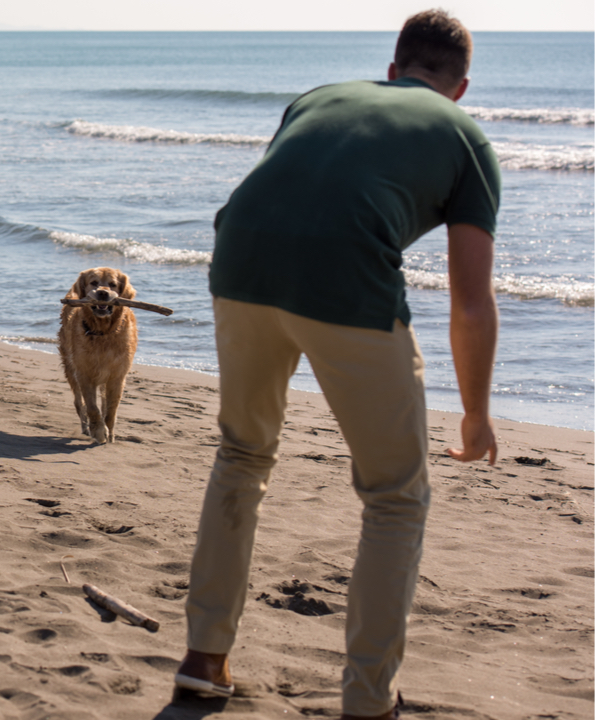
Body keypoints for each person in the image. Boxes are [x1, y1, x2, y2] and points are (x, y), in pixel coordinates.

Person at [174, 9, 501, 720]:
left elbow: (290, 194)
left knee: (242, 452)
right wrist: (475, 416)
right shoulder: (465, 135)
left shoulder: (317, 98)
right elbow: (471, 304)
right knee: (394, 497)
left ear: (394, 68)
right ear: (461, 87)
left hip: (240, 260)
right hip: (344, 280)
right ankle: (368, 701)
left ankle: (204, 659)